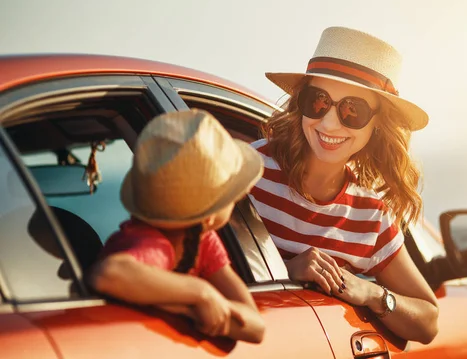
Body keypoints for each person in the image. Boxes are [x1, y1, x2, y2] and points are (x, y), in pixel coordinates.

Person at [249, 27, 438, 344]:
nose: (329, 123)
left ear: (378, 124)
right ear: (301, 103)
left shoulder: (371, 216)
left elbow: (428, 322)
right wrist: (286, 270)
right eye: (318, 101)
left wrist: (371, 292)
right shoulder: (249, 170)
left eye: (353, 110)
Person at [88, 109, 265, 343]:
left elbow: (256, 328)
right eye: (232, 197)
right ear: (209, 217)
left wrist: (187, 308)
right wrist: (200, 293)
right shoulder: (152, 244)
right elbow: (108, 273)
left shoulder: (204, 242)